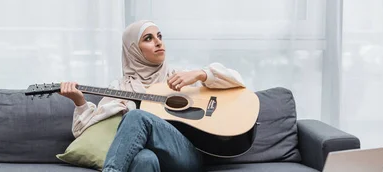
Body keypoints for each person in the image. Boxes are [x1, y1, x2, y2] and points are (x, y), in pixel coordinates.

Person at [58, 20, 246, 172]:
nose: (158, 42)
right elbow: (84, 133)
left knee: (136, 116)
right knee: (144, 159)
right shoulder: (121, 87)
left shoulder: (179, 78)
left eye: (159, 36)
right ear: (133, 49)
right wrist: (80, 102)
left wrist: (201, 74)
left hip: (185, 155)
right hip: (149, 158)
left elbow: (238, 82)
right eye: (148, 38)